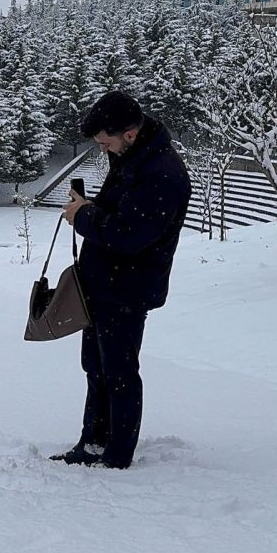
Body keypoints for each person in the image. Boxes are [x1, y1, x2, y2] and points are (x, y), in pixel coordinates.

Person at [54, 91, 191, 468]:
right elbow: (119, 214)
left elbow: (129, 235)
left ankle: (116, 456)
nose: (105, 151)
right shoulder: (133, 157)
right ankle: (93, 443)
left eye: (106, 143)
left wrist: (83, 217)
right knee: (96, 367)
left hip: (126, 288)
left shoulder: (161, 173)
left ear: (129, 133)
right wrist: (90, 208)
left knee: (118, 372)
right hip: (103, 283)